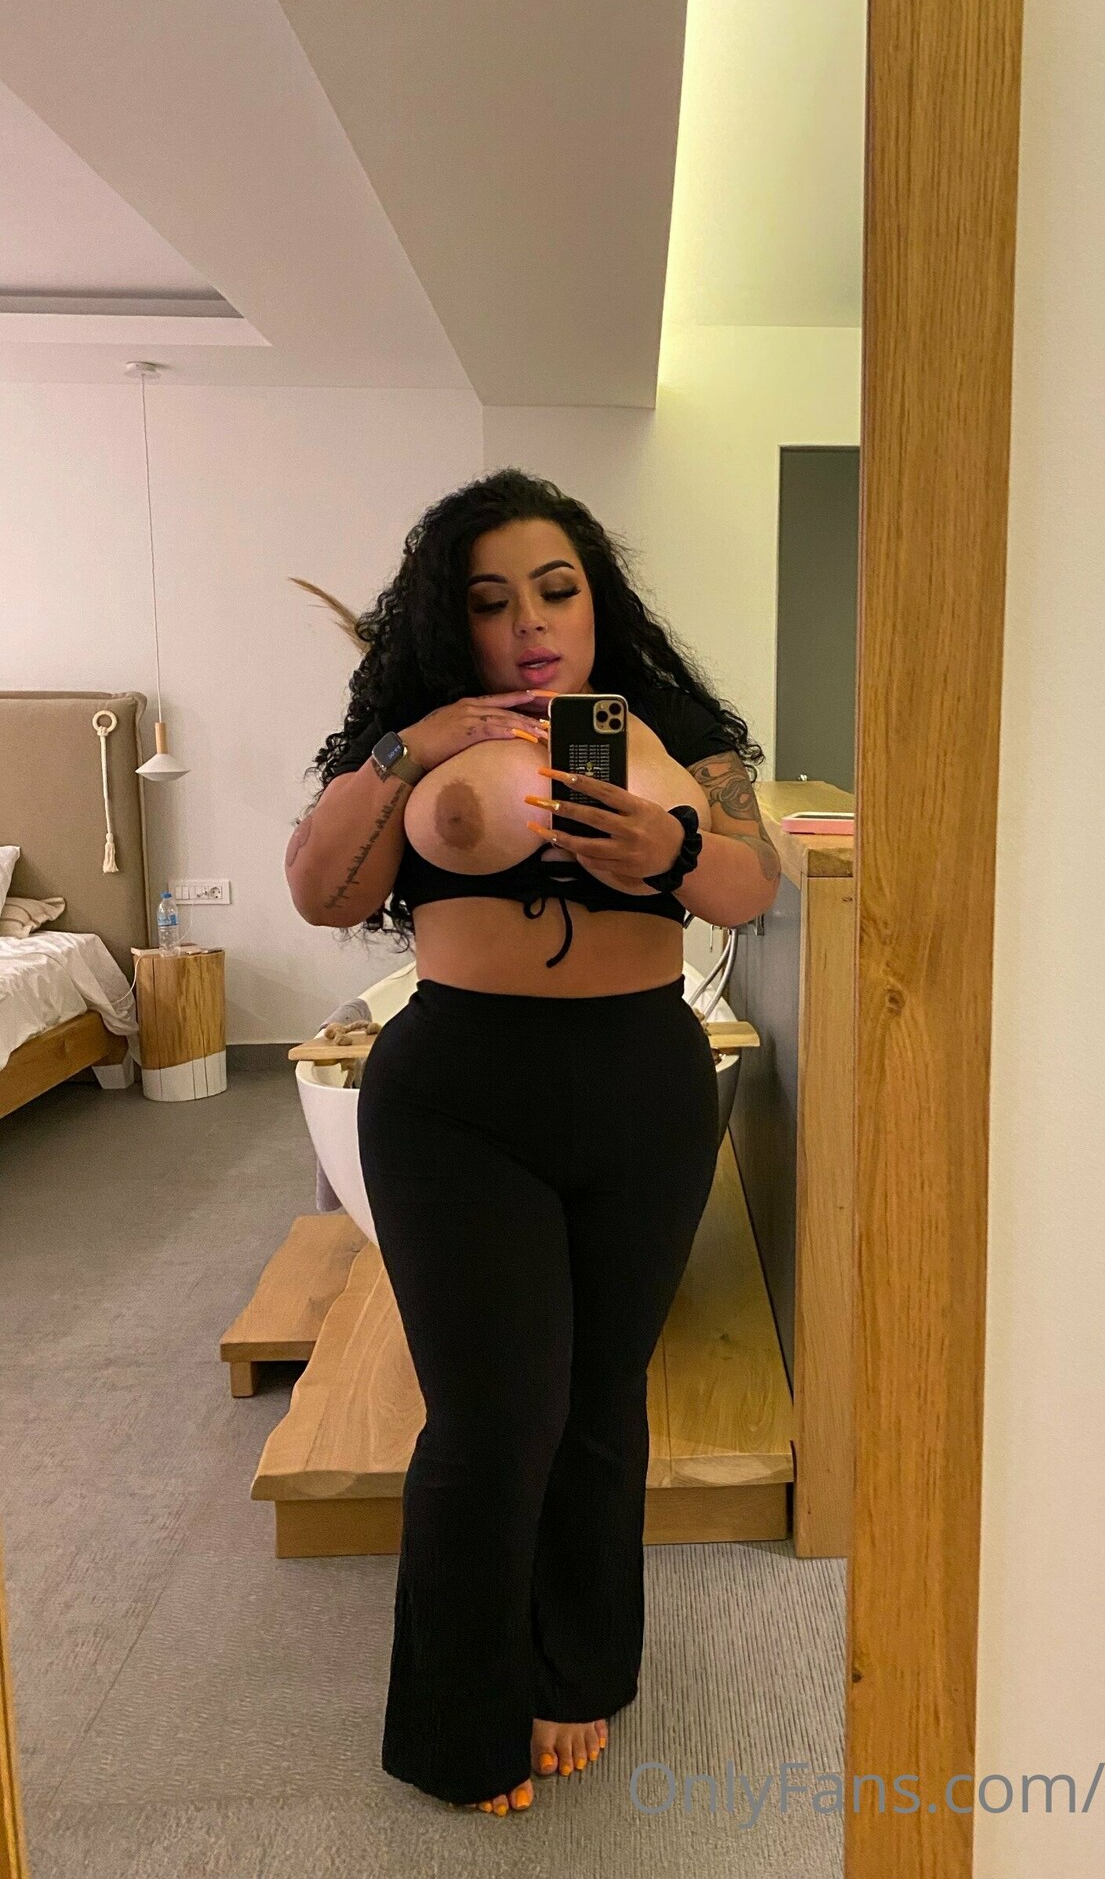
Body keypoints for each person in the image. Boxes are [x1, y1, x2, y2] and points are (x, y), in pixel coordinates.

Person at [285, 468, 781, 1817]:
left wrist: (668, 848)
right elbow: (321, 891)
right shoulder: (413, 730)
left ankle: (579, 1668)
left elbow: (751, 883)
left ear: (594, 596)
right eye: (491, 601)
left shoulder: (670, 724)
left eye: (556, 590)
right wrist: (413, 747)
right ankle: (457, 1720)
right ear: (453, 622)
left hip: (640, 1086)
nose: (529, 624)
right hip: (458, 1093)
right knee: (497, 1416)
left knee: (602, 1398)